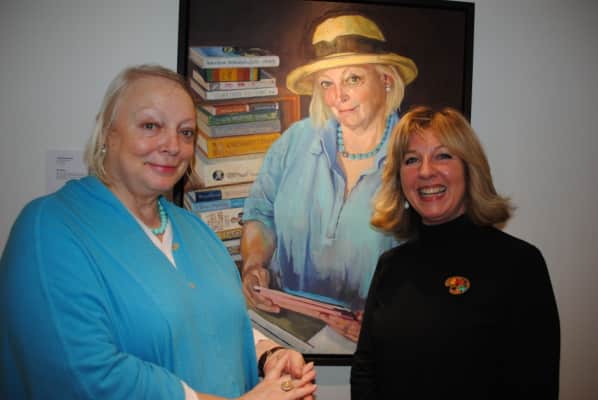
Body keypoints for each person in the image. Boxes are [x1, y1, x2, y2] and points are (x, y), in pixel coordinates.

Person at [0, 64, 317, 400]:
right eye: (151, 126)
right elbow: (84, 375)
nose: (173, 145)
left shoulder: (195, 229)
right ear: (108, 133)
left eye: (186, 132)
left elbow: (213, 319)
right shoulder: (48, 228)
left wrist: (269, 354)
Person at [351, 106, 560, 399]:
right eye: (411, 160)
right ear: (399, 179)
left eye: (443, 156)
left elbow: (536, 384)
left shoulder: (520, 264)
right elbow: (365, 370)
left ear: (469, 169)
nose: (425, 171)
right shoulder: (391, 266)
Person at [241, 13, 418, 349]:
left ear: (386, 79)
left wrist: (390, 317)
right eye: (326, 84)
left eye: (352, 79)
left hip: (372, 340)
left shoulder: (415, 152)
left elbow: (435, 262)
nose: (338, 97)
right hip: (280, 321)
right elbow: (260, 214)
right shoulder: (295, 140)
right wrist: (253, 265)